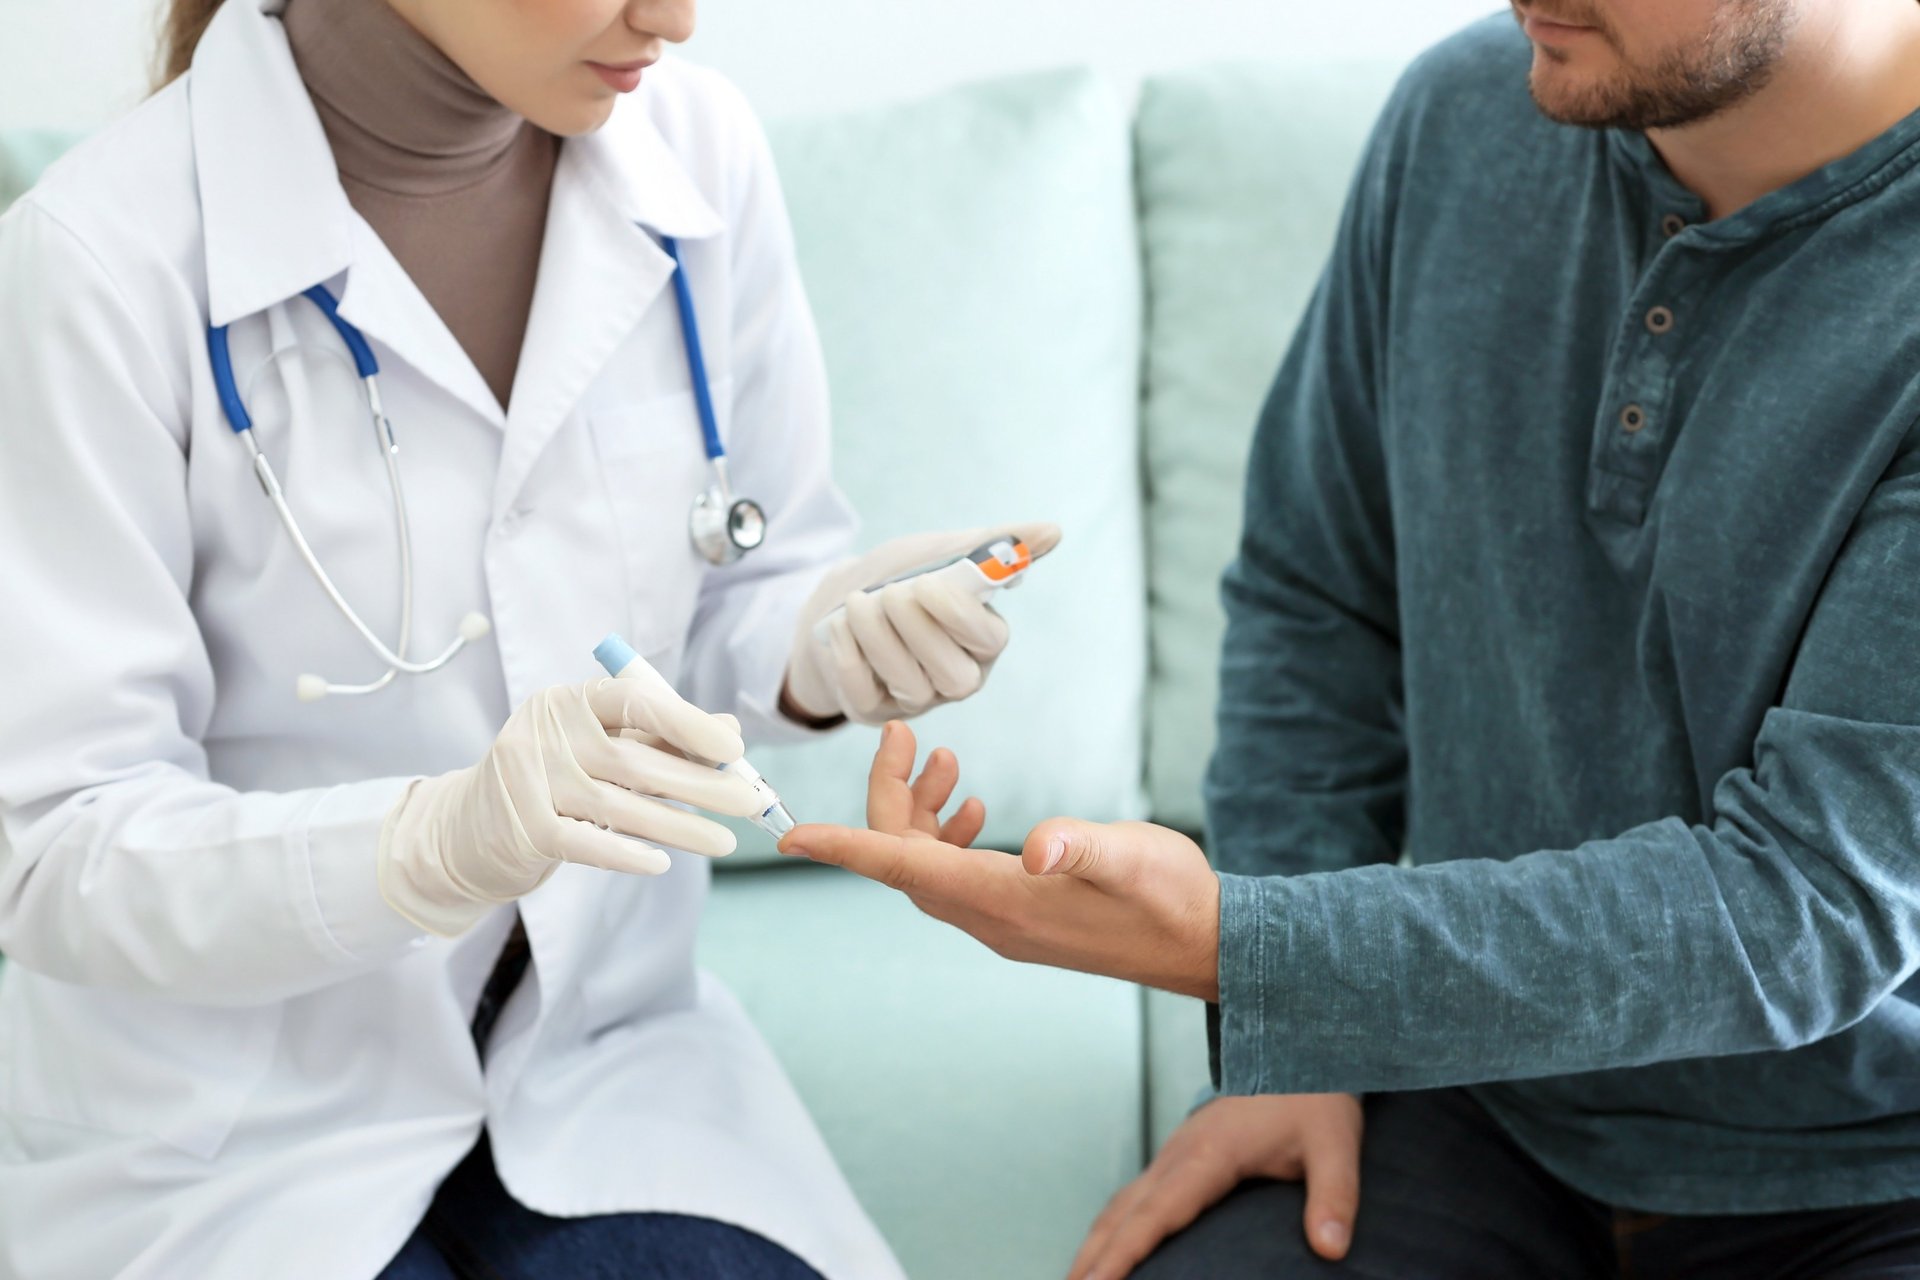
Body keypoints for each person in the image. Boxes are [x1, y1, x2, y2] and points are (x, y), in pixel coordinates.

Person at [779, 0, 1920, 1277]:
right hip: (1474, 1098)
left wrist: (1249, 953)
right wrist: (1298, 1051)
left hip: (1871, 1167)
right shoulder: (1465, 114)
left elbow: (1804, 907)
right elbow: (1317, 589)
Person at [0, 1, 1057, 1276]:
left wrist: (824, 646)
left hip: (604, 1064)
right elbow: (57, 846)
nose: (673, 15)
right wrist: (428, 845)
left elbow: (734, 592)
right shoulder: (97, 262)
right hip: (232, 1132)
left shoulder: (696, 155)